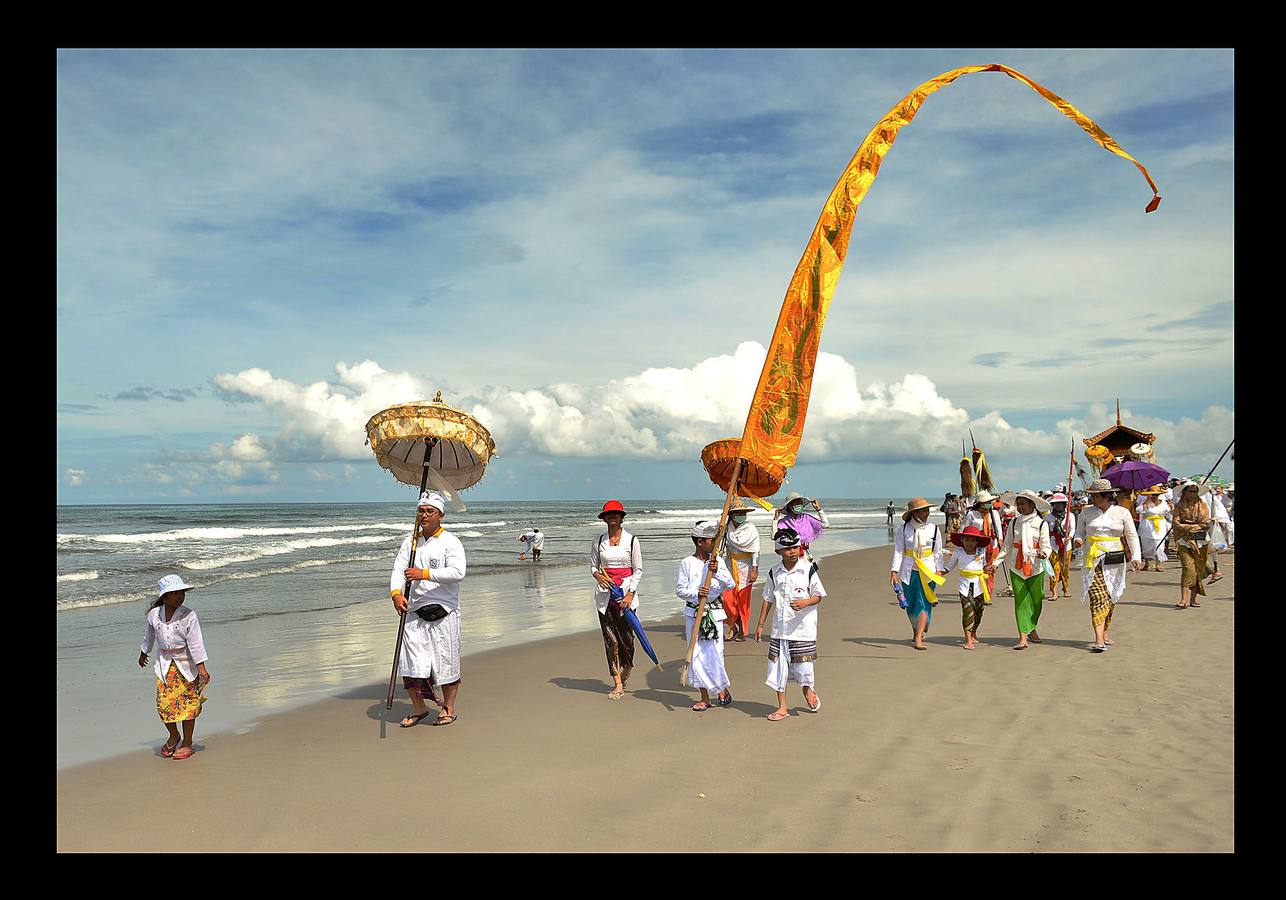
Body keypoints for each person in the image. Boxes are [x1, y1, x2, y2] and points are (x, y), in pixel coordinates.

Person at [390, 491, 467, 727]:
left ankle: (448, 708)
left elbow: (458, 572)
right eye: (420, 511)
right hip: (414, 611)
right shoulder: (411, 542)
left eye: (429, 511)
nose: (424, 515)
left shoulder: (450, 542)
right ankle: (419, 708)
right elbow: (398, 569)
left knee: (446, 662)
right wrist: (396, 593)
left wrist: (424, 574)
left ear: (441, 515)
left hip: (443, 611)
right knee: (412, 662)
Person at [138, 574, 211, 760]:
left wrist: (201, 667)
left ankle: (187, 742)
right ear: (164, 597)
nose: (179, 596)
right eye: (174, 593)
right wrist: (144, 652)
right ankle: (174, 735)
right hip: (164, 665)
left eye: (181, 592)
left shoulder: (189, 615)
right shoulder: (154, 615)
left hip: (186, 664)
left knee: (188, 705)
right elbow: (149, 636)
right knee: (163, 704)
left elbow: (196, 643)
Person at [755, 527, 824, 720]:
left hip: (802, 630)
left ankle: (808, 689)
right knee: (778, 669)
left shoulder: (808, 569)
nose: (792, 551)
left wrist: (805, 602)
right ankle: (782, 707)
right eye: (787, 549)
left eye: (795, 547)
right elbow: (768, 599)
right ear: (778, 551)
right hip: (780, 630)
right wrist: (761, 625)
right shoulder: (774, 573)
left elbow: (818, 596)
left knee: (803, 668)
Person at [1073, 479, 1142, 652]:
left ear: (1106, 496)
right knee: (1097, 596)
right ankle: (1098, 639)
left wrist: (1136, 557)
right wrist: (1078, 540)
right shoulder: (1086, 513)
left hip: (1114, 558)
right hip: (1092, 557)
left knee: (1110, 595)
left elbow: (1131, 536)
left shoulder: (1122, 513)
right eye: (1092, 495)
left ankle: (1105, 631)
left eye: (1095, 496)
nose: (1092, 499)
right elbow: (1079, 532)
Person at [677, 520, 735, 711]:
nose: (714, 544)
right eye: (711, 541)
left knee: (716, 654)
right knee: (696, 655)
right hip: (694, 613)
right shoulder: (687, 562)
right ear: (700, 542)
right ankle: (704, 696)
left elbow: (731, 584)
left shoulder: (717, 561)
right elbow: (680, 590)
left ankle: (720, 688)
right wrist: (697, 594)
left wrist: (717, 572)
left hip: (715, 614)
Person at [590, 500, 643, 700]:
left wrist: (630, 593)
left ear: (621, 517)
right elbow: (593, 566)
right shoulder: (598, 541)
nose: (612, 517)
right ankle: (617, 683)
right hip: (604, 597)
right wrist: (597, 576)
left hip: (625, 598)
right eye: (609, 514)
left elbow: (638, 570)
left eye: (616, 514)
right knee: (611, 641)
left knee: (627, 639)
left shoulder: (632, 541)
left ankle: (627, 667)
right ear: (604, 518)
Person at [992, 490, 1052, 650]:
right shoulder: (1013, 523)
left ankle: (1032, 627)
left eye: (1022, 504)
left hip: (1036, 566)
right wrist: (996, 563)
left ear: (1032, 504)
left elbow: (1046, 546)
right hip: (1015, 566)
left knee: (1037, 601)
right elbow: (1007, 546)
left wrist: (1043, 553)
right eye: (1018, 504)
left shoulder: (1041, 523)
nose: (1019, 507)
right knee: (1021, 602)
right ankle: (1023, 637)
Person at [891, 497, 944, 650]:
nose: (927, 513)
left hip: (928, 571)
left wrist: (939, 570)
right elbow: (899, 552)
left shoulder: (933, 529)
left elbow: (938, 552)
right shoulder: (903, 530)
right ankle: (917, 632)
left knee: (923, 603)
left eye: (927, 510)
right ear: (914, 513)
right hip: (908, 571)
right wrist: (894, 571)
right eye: (923, 510)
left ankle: (919, 638)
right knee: (911, 604)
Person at [938, 525, 991, 650]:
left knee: (979, 612)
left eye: (972, 540)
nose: (969, 543)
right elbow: (949, 567)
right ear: (962, 540)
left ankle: (973, 632)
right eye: (967, 539)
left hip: (979, 585)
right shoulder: (958, 552)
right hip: (964, 586)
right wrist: (940, 573)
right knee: (968, 611)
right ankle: (968, 640)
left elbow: (984, 566)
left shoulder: (980, 552)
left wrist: (988, 569)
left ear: (977, 541)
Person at [721, 498, 760, 642]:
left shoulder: (751, 529)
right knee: (728, 600)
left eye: (743, 512)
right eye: (738, 512)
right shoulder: (726, 527)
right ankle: (732, 625)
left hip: (746, 566)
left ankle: (743, 629)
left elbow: (755, 551)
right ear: (731, 514)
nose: (741, 515)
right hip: (729, 566)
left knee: (743, 601)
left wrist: (754, 569)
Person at [1171, 481, 1211, 609]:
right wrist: (1191, 527)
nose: (1193, 494)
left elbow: (1205, 523)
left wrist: (1188, 527)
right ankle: (1183, 600)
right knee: (1188, 568)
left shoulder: (1203, 505)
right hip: (1184, 541)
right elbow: (1176, 523)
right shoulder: (1178, 506)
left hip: (1200, 542)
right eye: (1191, 491)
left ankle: (1193, 599)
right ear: (1184, 492)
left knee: (1198, 570)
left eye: (1195, 492)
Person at [963, 491, 1002, 599]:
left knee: (990, 568)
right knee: (978, 568)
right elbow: (965, 529)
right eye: (987, 502)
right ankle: (978, 592)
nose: (990, 503)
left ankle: (987, 593)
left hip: (991, 544)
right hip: (977, 545)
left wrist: (1000, 542)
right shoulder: (972, 514)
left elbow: (999, 530)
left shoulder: (994, 514)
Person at [775, 492, 830, 558]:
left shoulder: (806, 518)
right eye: (797, 503)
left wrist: (818, 509)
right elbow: (774, 536)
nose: (799, 505)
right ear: (790, 505)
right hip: (790, 556)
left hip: (805, 555)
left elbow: (825, 524)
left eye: (800, 503)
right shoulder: (783, 522)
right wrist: (775, 519)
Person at [1135, 486, 1172, 571]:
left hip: (1160, 525)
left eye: (1156, 494)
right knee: (1147, 544)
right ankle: (1147, 563)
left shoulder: (1163, 503)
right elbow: (1140, 510)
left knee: (1159, 544)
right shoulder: (1146, 503)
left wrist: (1171, 506)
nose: (1154, 496)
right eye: (1153, 494)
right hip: (1147, 526)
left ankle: (1158, 564)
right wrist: (1147, 500)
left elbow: (1168, 511)